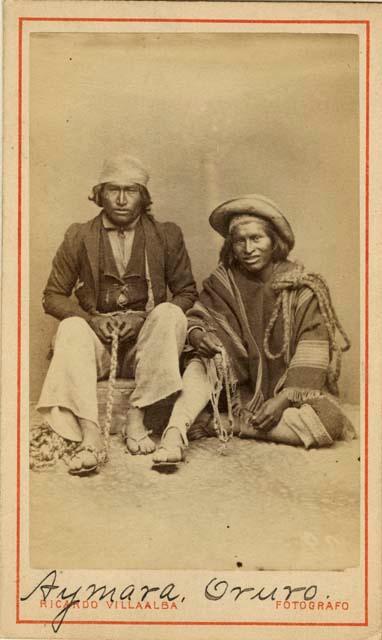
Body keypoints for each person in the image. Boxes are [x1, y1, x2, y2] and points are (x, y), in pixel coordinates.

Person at [153, 194, 355, 464]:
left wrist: (283, 400)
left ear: (274, 242)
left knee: (328, 422)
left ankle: (226, 424)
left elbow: (313, 348)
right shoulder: (223, 282)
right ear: (231, 246)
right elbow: (197, 316)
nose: (248, 248)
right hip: (237, 389)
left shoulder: (301, 288)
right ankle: (175, 433)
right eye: (240, 240)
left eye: (257, 238)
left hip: (287, 394)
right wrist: (199, 335)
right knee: (203, 363)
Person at [37, 153, 198, 475]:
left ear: (144, 196)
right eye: (113, 190)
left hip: (146, 345)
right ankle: (91, 433)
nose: (122, 200)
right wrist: (92, 321)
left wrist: (142, 319)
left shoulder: (167, 234)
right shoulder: (78, 235)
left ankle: (136, 415)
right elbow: (52, 295)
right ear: (99, 193)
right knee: (70, 327)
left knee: (169, 313)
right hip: (99, 346)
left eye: (131, 190)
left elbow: (187, 293)